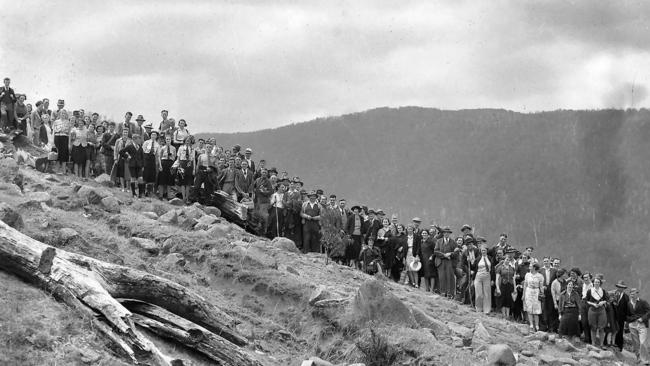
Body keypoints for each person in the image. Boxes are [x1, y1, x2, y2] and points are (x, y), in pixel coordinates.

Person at [585, 277, 609, 347]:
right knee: (593, 327)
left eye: (598, 282)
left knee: (601, 328)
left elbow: (607, 300)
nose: (597, 283)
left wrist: (602, 302)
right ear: (593, 282)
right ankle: (593, 343)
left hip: (601, 310)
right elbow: (586, 301)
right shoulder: (589, 291)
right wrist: (593, 304)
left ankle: (601, 344)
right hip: (592, 310)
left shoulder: (603, 291)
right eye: (595, 282)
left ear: (600, 283)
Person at [627, 288, 650, 364]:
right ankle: (638, 358)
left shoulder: (643, 302)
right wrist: (629, 322)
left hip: (642, 324)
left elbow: (649, 311)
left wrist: (642, 318)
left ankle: (645, 360)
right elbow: (627, 315)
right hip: (632, 325)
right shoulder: (628, 303)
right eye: (631, 293)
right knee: (636, 343)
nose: (632, 295)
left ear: (637, 294)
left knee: (643, 342)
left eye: (634, 293)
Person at [434, 226, 457, 298]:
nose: (446, 234)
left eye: (448, 233)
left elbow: (456, 252)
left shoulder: (453, 242)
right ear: (443, 233)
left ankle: (450, 294)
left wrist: (450, 254)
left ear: (449, 234)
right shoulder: (439, 241)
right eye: (445, 232)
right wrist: (444, 255)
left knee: (449, 277)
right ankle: (442, 293)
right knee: (441, 277)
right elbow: (435, 251)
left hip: (449, 262)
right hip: (440, 262)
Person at [495, 248, 518, 318]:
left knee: (508, 300)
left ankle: (507, 315)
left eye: (508, 260)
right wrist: (498, 288)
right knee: (502, 300)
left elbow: (513, 279)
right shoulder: (500, 268)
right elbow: (497, 278)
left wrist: (515, 288)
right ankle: (503, 315)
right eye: (506, 259)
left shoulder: (512, 268)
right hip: (503, 285)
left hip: (510, 285)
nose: (507, 261)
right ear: (503, 260)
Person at [523, 263, 545, 332]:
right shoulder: (527, 275)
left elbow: (541, 286)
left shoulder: (540, 276)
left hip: (536, 292)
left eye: (531, 266)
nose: (529, 267)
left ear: (534, 268)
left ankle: (537, 326)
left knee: (536, 309)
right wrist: (523, 295)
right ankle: (531, 325)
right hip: (528, 291)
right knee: (529, 308)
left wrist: (542, 294)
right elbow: (525, 285)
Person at [473, 244, 493, 314]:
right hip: (478, 276)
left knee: (487, 293)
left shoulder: (490, 258)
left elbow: (492, 269)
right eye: (482, 250)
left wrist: (492, 279)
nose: (483, 252)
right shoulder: (478, 259)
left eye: (484, 250)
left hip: (487, 276)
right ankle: (478, 309)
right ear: (480, 251)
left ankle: (486, 310)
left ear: (487, 251)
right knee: (479, 293)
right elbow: (474, 268)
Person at [612, 280, 631, 352]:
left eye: (622, 287)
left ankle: (619, 346)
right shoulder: (613, 294)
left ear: (624, 288)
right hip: (613, 315)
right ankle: (610, 343)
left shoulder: (626, 297)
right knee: (611, 330)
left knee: (619, 331)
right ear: (617, 287)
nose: (620, 288)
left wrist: (627, 320)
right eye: (619, 287)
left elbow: (627, 309)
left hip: (621, 317)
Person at [254, 168, 273, 236]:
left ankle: (264, 232)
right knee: (258, 215)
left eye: (265, 172)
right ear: (261, 173)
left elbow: (271, 191)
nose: (264, 173)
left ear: (267, 174)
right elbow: (254, 187)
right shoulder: (257, 180)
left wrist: (264, 191)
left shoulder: (268, 181)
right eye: (263, 172)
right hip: (257, 200)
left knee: (264, 216)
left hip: (264, 201)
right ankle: (257, 232)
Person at [176, 135, 195, 204]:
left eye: (189, 141)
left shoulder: (192, 149)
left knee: (188, 183)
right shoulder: (181, 148)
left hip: (189, 165)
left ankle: (187, 197)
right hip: (182, 164)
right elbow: (178, 158)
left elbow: (193, 160)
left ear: (190, 142)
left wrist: (194, 169)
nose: (187, 142)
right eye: (186, 141)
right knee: (182, 182)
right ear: (184, 141)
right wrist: (178, 166)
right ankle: (183, 197)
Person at [157, 135, 176, 200]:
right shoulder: (162, 148)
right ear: (165, 140)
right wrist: (160, 165)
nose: (168, 140)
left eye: (169, 139)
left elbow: (175, 157)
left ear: (171, 140)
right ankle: (160, 196)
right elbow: (159, 157)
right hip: (163, 163)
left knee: (169, 180)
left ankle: (169, 196)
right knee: (161, 180)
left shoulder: (173, 148)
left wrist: (173, 164)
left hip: (170, 163)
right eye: (167, 139)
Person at [142, 130, 160, 197]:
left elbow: (158, 155)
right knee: (145, 175)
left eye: (155, 135)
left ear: (156, 136)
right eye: (152, 135)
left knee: (151, 176)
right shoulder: (146, 142)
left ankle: (149, 192)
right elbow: (142, 152)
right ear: (150, 135)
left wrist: (159, 165)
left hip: (152, 160)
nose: (153, 136)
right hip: (146, 159)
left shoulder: (157, 145)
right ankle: (142, 192)